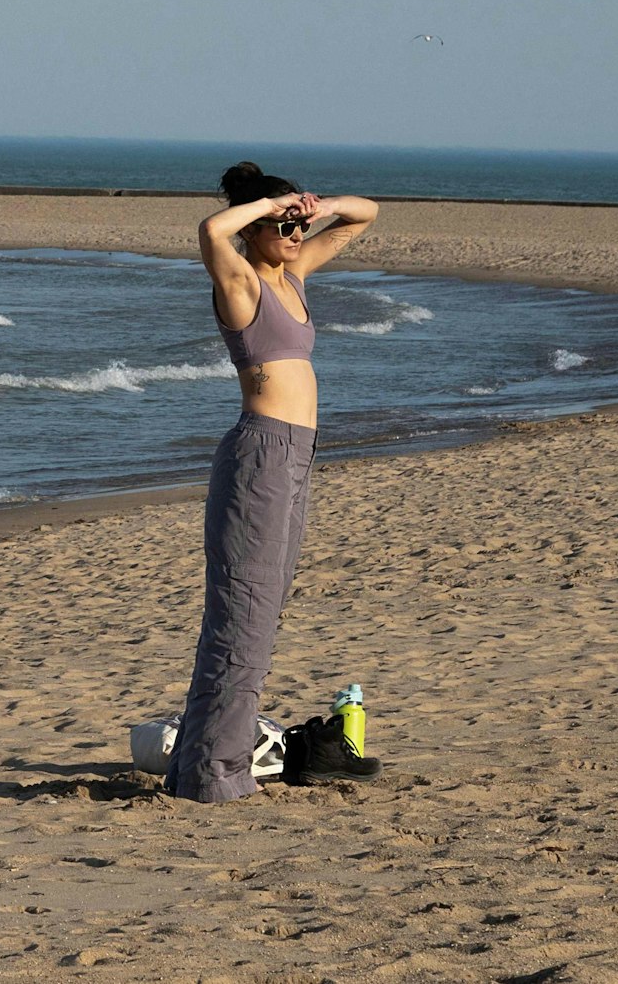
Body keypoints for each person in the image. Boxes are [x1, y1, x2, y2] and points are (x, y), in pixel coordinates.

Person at [166, 162, 384, 802]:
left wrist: (312, 207)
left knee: (259, 614)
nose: (295, 232)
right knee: (243, 617)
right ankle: (213, 775)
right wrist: (270, 204)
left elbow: (365, 213)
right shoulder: (240, 283)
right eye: (282, 225)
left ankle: (203, 768)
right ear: (256, 226)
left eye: (298, 225)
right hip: (259, 454)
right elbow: (211, 229)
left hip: (297, 454)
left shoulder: (293, 275)